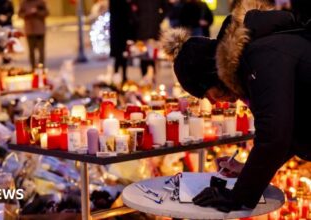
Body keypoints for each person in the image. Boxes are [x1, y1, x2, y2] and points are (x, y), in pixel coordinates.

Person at [162, 0, 311, 212]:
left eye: (207, 95)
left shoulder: (261, 56)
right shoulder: (257, 55)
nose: (213, 103)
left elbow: (275, 135)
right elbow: (289, 132)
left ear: (213, 76)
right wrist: (246, 169)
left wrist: (236, 197)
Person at [18, 0, 49, 69]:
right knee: (31, 51)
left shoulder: (41, 2)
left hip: (40, 30)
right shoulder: (24, 3)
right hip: (29, 31)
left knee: (41, 51)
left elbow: (46, 13)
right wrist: (27, 13)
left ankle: (41, 67)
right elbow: (20, 14)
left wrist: (37, 12)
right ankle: (33, 68)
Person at [109, 0, 134, 83]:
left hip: (121, 30)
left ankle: (121, 77)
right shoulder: (120, 4)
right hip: (120, 30)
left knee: (122, 56)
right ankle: (118, 77)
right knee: (120, 56)